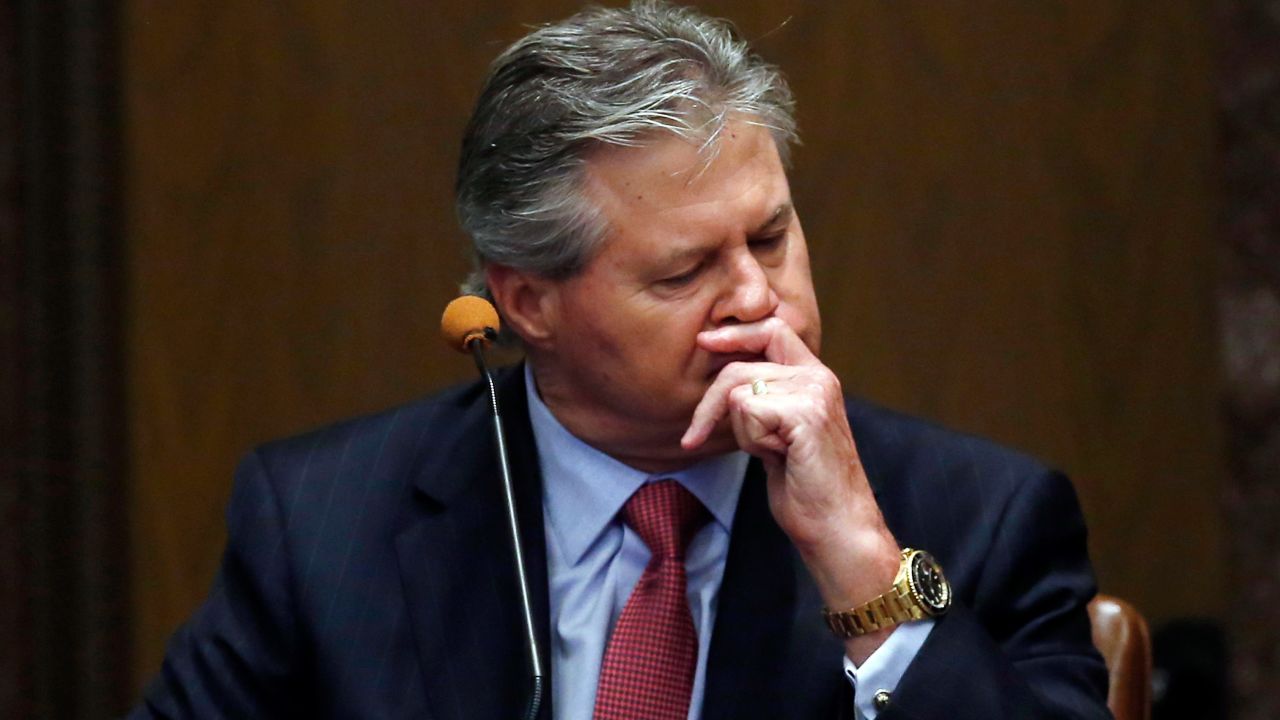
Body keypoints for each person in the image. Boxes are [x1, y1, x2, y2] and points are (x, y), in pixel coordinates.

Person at [131, 2, 1111, 718]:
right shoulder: (324, 522)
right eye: (685, 272)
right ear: (527, 303)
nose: (757, 298)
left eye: (770, 238)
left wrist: (861, 574)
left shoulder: (978, 516)